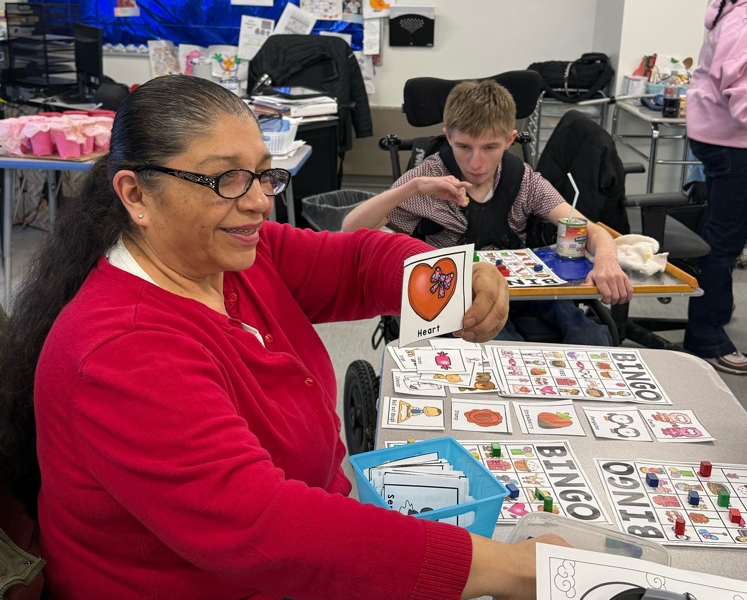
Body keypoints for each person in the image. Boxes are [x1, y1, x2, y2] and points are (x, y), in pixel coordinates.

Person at [0, 75, 563, 600]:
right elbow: (267, 528)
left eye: (264, 175)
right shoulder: (120, 352)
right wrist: (511, 569)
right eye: (225, 179)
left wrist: (451, 280)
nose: (259, 201)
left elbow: (360, 260)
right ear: (137, 196)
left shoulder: (237, 255)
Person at [343, 80, 633, 345]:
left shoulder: (523, 179)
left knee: (592, 334)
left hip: (523, 290)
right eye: (463, 146)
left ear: (509, 140)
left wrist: (607, 262)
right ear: (448, 138)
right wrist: (412, 188)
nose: (476, 162)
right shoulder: (427, 179)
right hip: (462, 295)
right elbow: (349, 231)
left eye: (490, 147)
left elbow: (590, 229)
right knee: (504, 346)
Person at [683, 0, 747, 374]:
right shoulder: (743, 19)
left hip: (726, 136)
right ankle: (706, 336)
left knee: (727, 233)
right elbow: (739, 87)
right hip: (732, 141)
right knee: (725, 239)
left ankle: (717, 309)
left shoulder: (736, 4)